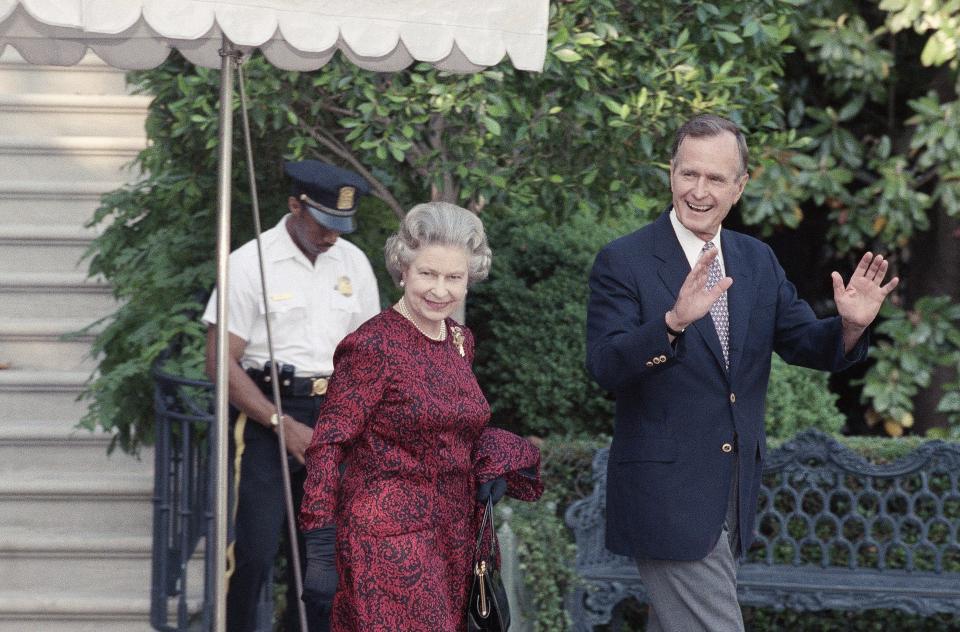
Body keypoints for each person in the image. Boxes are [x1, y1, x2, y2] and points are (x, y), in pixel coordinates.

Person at [585, 113, 899, 631]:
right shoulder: (624, 260)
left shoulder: (756, 260)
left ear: (741, 186)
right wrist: (670, 324)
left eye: (715, 178)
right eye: (689, 174)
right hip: (666, 497)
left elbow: (803, 342)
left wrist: (848, 327)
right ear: (671, 173)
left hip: (733, 494)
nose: (699, 190)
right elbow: (606, 365)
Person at [298, 201, 543, 631]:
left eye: (454, 277)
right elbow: (329, 442)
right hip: (387, 540)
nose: (440, 290)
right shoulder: (372, 345)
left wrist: (492, 460)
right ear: (403, 270)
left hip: (453, 538)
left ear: (470, 280)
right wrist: (320, 544)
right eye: (428, 274)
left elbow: (459, 423)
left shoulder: (460, 340)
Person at [202, 159, 380, 632]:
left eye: (341, 226)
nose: (331, 235)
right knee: (252, 556)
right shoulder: (249, 262)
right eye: (323, 223)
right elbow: (221, 362)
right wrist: (282, 425)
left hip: (334, 415)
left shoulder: (353, 263)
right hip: (266, 414)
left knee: (323, 564)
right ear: (294, 206)